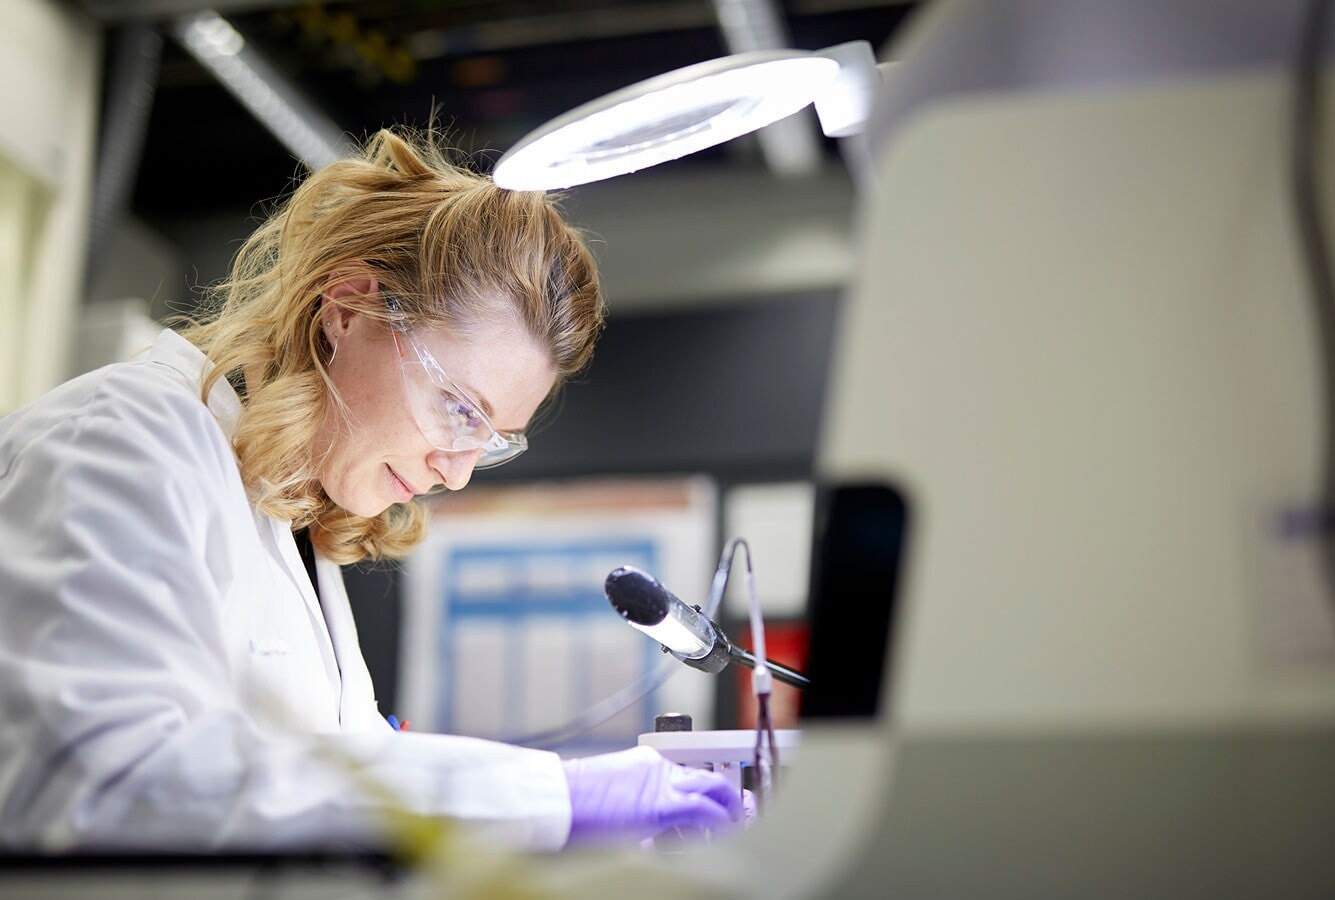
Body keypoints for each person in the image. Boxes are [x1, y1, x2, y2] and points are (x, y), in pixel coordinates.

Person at [0, 128, 743, 853]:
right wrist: (547, 799)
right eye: (459, 408)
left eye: (487, 440)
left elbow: (311, 803)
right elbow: (96, 783)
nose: (454, 472)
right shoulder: (118, 440)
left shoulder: (289, 528)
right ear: (348, 308)